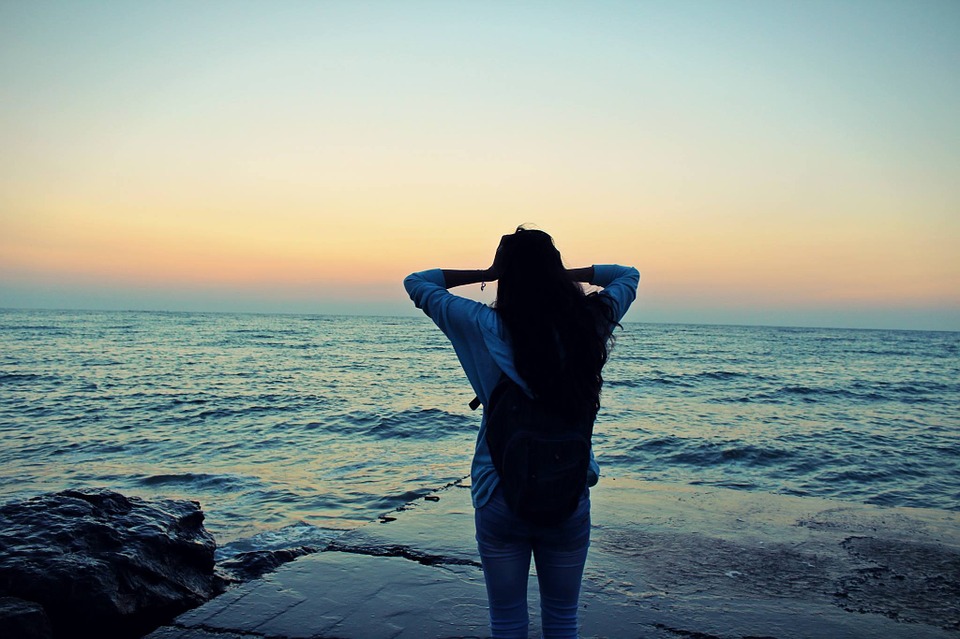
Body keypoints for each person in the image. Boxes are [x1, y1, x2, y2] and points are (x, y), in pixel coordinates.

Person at [404, 226, 639, 638]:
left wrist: (490, 273)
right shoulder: (590, 322)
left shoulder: (479, 323)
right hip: (568, 487)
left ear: (506, 274)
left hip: (498, 488)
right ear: (555, 268)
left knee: (507, 621)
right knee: (563, 620)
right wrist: (556, 274)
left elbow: (418, 282)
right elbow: (627, 275)